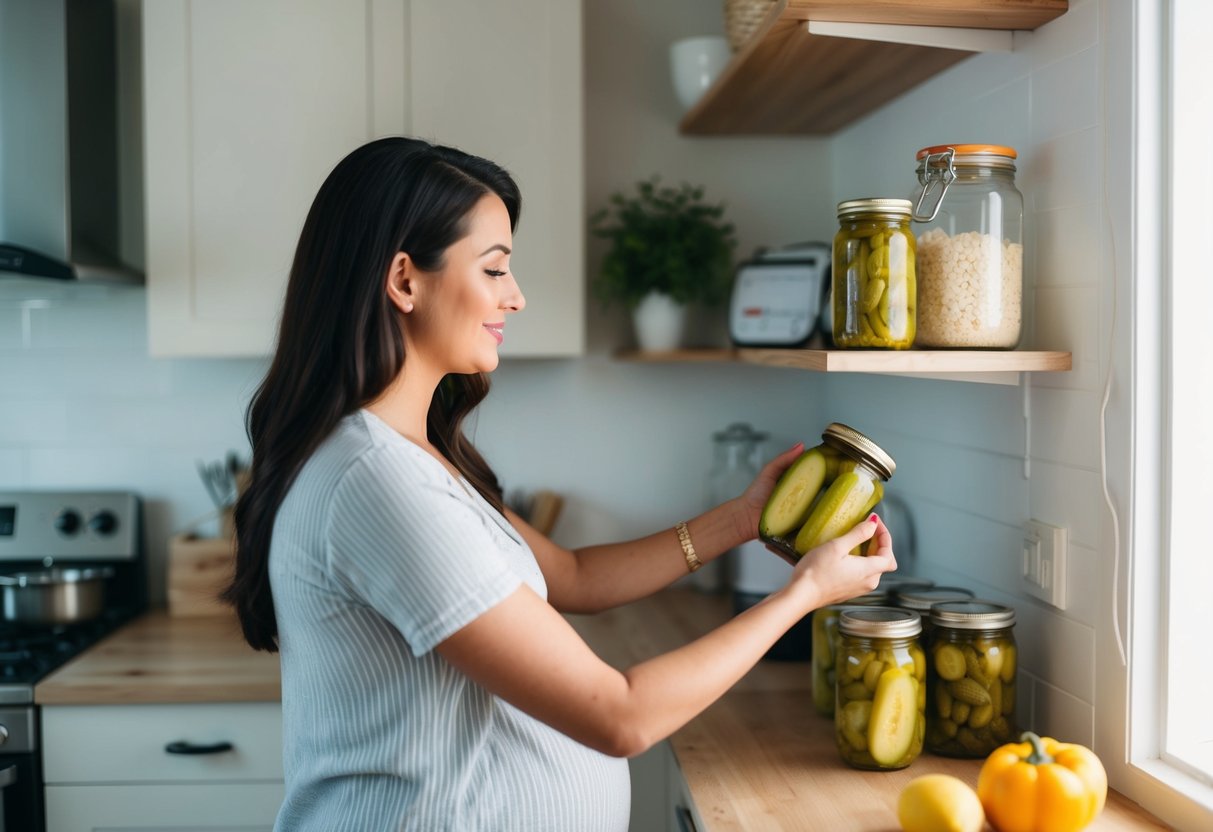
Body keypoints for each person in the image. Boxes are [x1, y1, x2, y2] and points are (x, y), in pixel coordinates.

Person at [223, 136, 898, 832]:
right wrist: (803, 595)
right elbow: (621, 716)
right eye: (493, 269)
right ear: (404, 281)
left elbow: (573, 577)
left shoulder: (408, 456)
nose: (514, 297)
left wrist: (741, 519)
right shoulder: (377, 482)